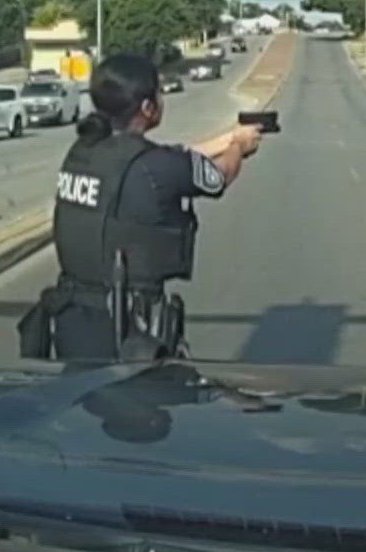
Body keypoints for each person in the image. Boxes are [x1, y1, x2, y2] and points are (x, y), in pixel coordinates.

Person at [22, 53, 263, 361]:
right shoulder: (155, 167)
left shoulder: (84, 152)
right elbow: (219, 176)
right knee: (142, 405)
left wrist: (228, 137)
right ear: (148, 107)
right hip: (131, 330)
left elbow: (173, 158)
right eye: (159, 94)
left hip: (72, 320)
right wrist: (239, 147)